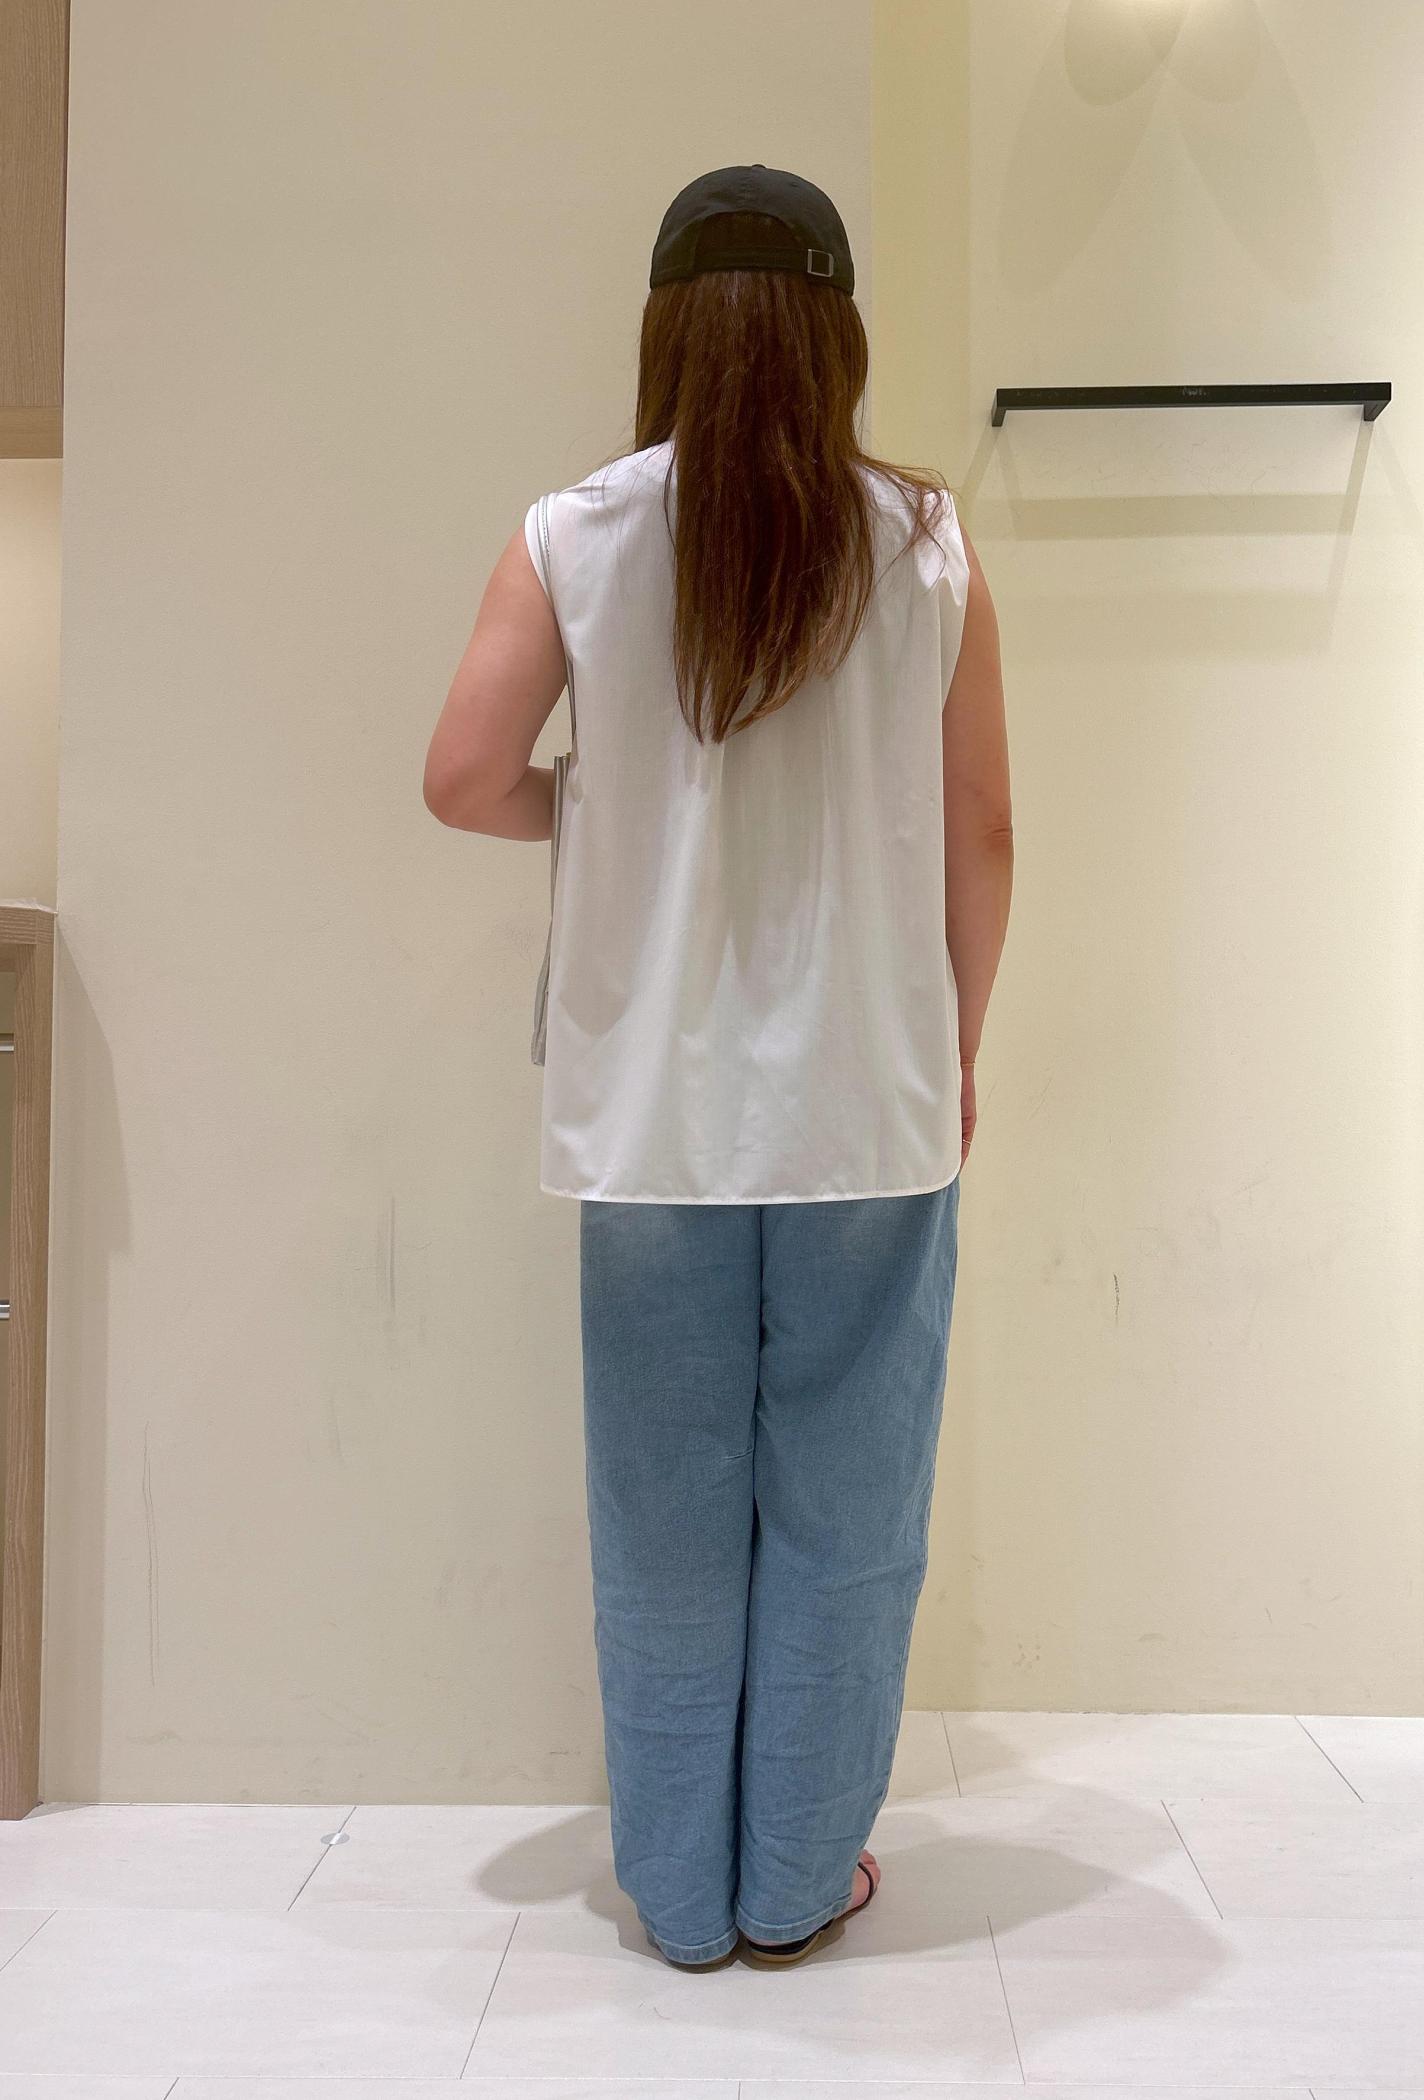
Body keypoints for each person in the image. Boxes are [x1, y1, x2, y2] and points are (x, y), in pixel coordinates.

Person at [423, 164, 1013, 1971]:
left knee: (663, 1514)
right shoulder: (925, 544)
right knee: (849, 1511)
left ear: (666, 329)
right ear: (840, 334)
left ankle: (679, 1897)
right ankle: (796, 1881)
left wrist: (600, 814)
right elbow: (983, 834)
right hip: (869, 1107)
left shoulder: (576, 534)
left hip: (646, 1121)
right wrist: (957, 1046)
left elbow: (462, 778)